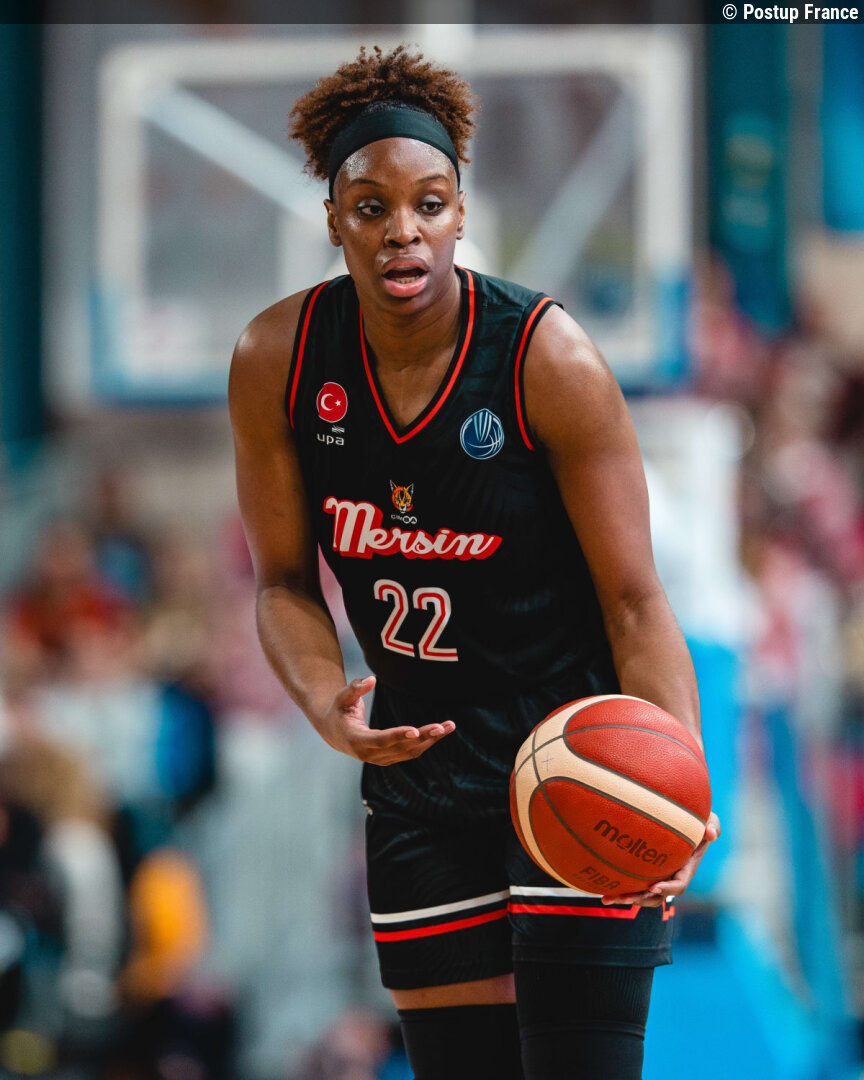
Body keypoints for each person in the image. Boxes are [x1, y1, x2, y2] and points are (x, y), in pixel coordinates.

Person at [229, 45, 720, 1080]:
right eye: (371, 207)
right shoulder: (277, 359)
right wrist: (324, 704)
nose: (402, 230)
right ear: (334, 220)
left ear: (460, 214)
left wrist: (680, 774)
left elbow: (636, 601)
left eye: (429, 203)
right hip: (419, 782)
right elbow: (282, 584)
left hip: (581, 758)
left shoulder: (549, 359)